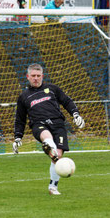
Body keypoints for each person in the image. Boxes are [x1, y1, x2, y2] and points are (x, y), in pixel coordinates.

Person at [13, 63, 85, 195]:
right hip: (39, 125)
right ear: (27, 77)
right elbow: (20, 119)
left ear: (42, 76)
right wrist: (18, 137)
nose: (36, 78)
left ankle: (53, 187)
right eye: (33, 76)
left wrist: (75, 114)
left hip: (58, 125)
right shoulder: (24, 96)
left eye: (38, 76)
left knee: (57, 156)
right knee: (47, 138)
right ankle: (48, 145)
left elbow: (67, 101)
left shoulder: (52, 89)